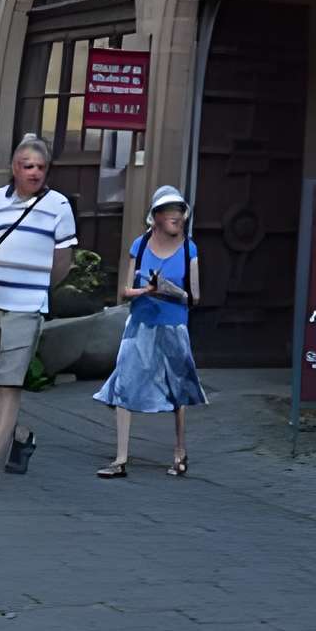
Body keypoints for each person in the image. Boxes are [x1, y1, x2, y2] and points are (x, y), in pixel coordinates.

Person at [0, 135, 76, 497]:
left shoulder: (58, 205)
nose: (35, 172)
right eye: (28, 166)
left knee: (10, 380)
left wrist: (38, 289)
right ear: (15, 168)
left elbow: (63, 260)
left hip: (26, 307)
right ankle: (22, 436)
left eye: (41, 167)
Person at [95, 185, 207, 479]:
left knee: (178, 388)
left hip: (174, 324)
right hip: (140, 323)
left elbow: (195, 297)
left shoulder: (189, 249)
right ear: (156, 216)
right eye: (170, 211)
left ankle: (180, 452)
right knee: (125, 382)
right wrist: (146, 290)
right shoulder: (140, 245)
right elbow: (124, 291)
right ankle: (120, 458)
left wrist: (172, 291)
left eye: (179, 210)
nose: (176, 216)